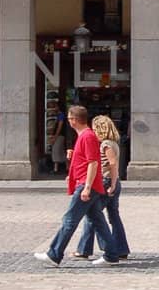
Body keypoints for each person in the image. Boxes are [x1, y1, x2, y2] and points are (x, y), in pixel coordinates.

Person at [34, 103, 120, 266]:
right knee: (97, 220)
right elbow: (86, 161)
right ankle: (111, 254)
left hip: (87, 185)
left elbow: (93, 163)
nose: (68, 121)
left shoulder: (87, 136)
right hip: (87, 183)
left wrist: (87, 186)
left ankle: (54, 253)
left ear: (73, 120)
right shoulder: (85, 136)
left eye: (69, 118)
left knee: (69, 219)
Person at [75, 114, 129, 261]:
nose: (92, 133)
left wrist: (112, 183)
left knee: (93, 214)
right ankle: (120, 248)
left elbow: (112, 164)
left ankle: (88, 249)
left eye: (94, 129)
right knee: (113, 216)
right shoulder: (113, 143)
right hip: (112, 182)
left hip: (106, 182)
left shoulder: (106, 144)